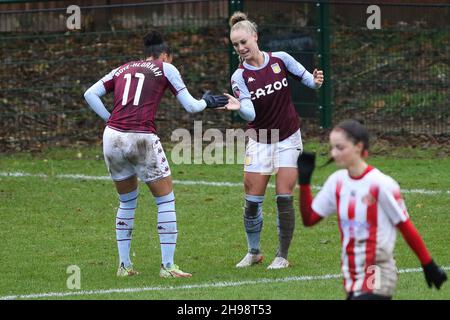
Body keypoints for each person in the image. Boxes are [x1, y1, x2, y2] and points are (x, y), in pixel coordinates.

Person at [83, 30, 228, 278]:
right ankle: (168, 267)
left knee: (127, 201)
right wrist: (208, 101)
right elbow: (191, 107)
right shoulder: (165, 68)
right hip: (141, 138)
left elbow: (90, 94)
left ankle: (124, 266)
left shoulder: (122, 68)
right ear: (165, 55)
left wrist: (112, 120)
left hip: (112, 138)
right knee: (165, 199)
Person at [297, 119, 447, 299]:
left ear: (358, 146)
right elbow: (309, 219)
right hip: (351, 272)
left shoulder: (381, 184)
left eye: (340, 147)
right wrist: (304, 183)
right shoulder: (336, 182)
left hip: (377, 269)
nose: (334, 153)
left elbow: (405, 227)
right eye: (332, 148)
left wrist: (428, 265)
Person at [223, 11, 324, 269]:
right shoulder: (239, 77)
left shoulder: (280, 59)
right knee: (252, 203)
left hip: (288, 137)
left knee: (283, 196)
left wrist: (315, 81)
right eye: (236, 45)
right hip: (260, 139)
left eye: (244, 42)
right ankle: (254, 252)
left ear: (255, 37)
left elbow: (308, 80)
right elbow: (251, 113)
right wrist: (239, 108)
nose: (241, 48)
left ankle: (282, 255)